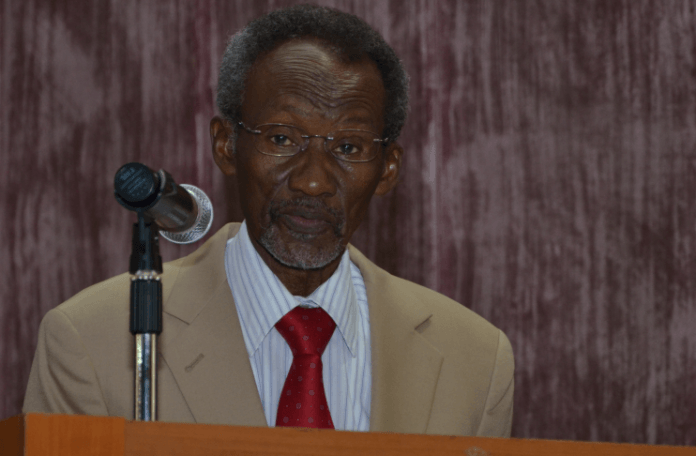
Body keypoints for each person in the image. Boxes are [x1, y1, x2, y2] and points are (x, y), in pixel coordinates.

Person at [23, 5, 514, 436]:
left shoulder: (474, 360)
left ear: (387, 170)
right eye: (282, 139)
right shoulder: (92, 340)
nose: (313, 182)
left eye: (349, 147)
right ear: (226, 146)